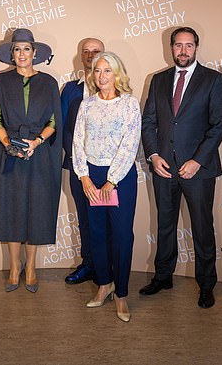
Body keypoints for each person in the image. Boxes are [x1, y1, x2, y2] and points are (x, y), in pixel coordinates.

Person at [140, 26, 222, 308]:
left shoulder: (213, 80)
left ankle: (206, 284)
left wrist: (197, 160)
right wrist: (153, 156)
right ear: (171, 48)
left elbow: (218, 126)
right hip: (164, 168)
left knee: (202, 228)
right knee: (165, 225)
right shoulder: (158, 80)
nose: (183, 50)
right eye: (178, 45)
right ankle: (163, 276)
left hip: (198, 170)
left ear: (196, 47)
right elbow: (149, 122)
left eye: (188, 45)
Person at [0, 28, 62, 293]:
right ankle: (14, 267)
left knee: (36, 212)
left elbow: (54, 120)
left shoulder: (49, 82)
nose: (21, 54)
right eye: (17, 49)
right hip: (11, 157)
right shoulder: (2, 82)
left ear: (35, 53)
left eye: (26, 49)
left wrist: (37, 142)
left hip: (39, 156)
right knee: (12, 211)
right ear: (11, 53)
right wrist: (8, 145)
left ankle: (31, 267)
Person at [73, 51, 141, 322]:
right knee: (97, 234)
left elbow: (130, 143)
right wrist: (85, 177)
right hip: (91, 175)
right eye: (98, 71)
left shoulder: (129, 104)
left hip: (120, 178)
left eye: (107, 71)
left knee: (122, 236)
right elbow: (78, 140)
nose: (101, 76)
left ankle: (121, 294)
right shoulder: (87, 104)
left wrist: (112, 180)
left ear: (117, 74)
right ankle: (104, 285)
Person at [61, 38, 104, 285]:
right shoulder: (70, 89)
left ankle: (105, 269)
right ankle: (88, 265)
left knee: (106, 220)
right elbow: (63, 128)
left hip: (106, 171)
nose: (90, 55)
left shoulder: (115, 90)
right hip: (78, 169)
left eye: (95, 51)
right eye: (86, 52)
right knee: (85, 219)